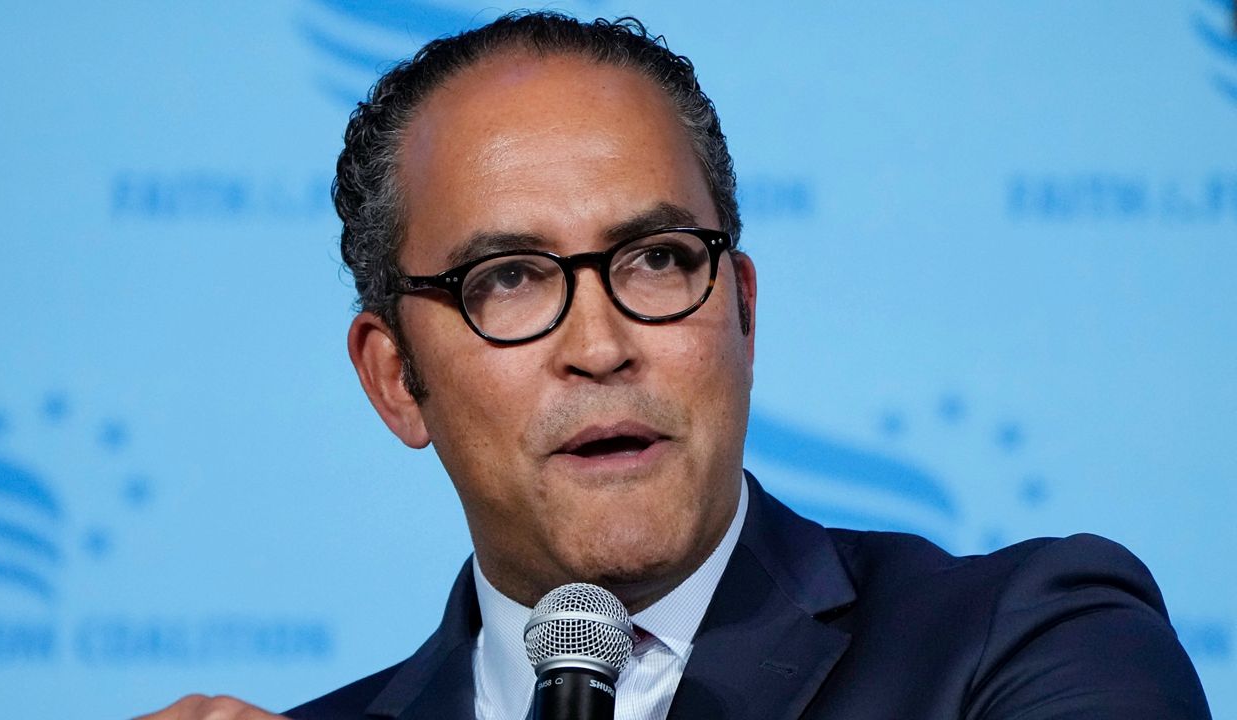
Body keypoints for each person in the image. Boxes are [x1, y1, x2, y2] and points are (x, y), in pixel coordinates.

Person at [138, 11, 1211, 720]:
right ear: (392, 378)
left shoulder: (1027, 640)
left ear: (739, 311)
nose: (600, 346)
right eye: (507, 279)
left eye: (655, 261)